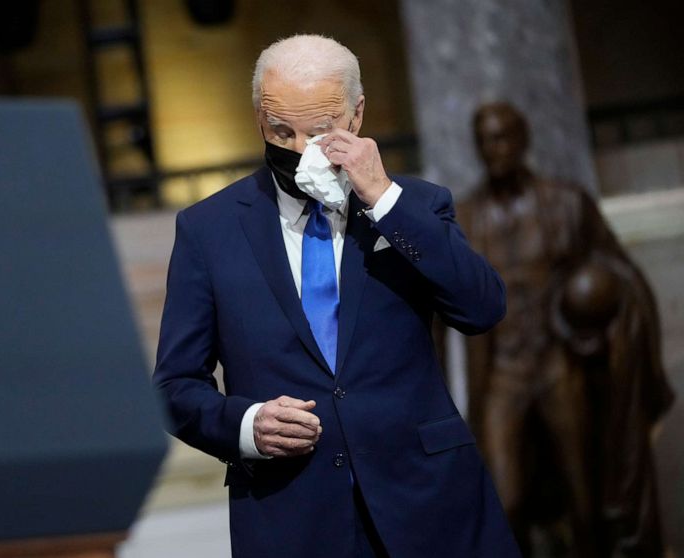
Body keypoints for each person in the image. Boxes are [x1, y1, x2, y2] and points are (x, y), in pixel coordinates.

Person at [152, 34, 520, 558]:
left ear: (356, 115)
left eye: (320, 130)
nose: (301, 149)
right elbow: (173, 386)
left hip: (431, 506)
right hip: (292, 516)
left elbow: (483, 308)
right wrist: (246, 425)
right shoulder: (207, 230)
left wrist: (384, 200)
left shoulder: (415, 205)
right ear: (259, 119)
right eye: (282, 130)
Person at [456, 102, 674, 557]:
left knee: (585, 494)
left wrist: (598, 307)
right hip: (503, 374)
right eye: (485, 140)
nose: (494, 148)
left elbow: (622, 273)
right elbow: (438, 311)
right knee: (505, 499)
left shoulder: (566, 203)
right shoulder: (465, 219)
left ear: (522, 140)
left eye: (502, 137)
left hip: (557, 364)